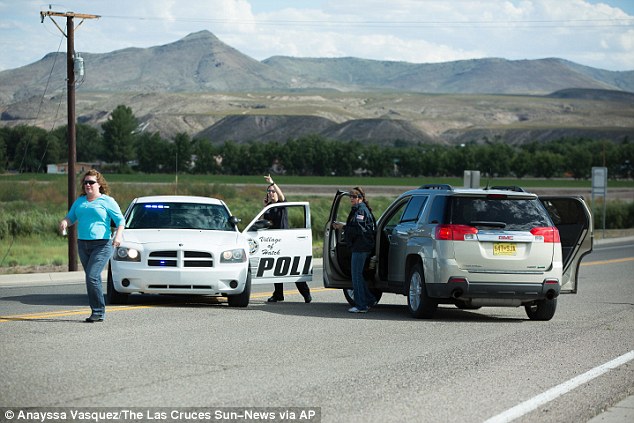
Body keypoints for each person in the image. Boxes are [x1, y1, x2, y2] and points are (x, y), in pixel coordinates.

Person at [59, 170, 125, 323]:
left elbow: (120, 220)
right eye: (86, 182)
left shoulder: (107, 201)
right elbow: (71, 217)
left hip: (102, 244)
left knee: (92, 276)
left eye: (91, 182)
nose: (88, 185)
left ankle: (98, 311)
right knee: (91, 278)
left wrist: (119, 236)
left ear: (99, 184)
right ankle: (96, 310)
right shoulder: (80, 201)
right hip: (83, 244)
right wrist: (64, 222)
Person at [262, 174, 312, 304]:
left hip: (286, 241)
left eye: (273, 192)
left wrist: (272, 183)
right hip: (274, 243)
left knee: (294, 268)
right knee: (276, 270)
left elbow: (281, 195)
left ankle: (306, 294)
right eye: (269, 192)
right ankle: (278, 294)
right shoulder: (269, 209)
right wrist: (265, 206)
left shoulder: (281, 205)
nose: (272, 193)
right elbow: (263, 222)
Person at [332, 187, 377, 313]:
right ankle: (369, 299)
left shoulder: (361, 211)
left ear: (360, 198)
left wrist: (343, 226)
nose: (351, 198)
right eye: (350, 196)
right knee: (358, 275)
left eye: (354, 196)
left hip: (361, 247)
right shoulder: (359, 210)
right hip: (361, 246)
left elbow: (359, 230)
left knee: (356, 276)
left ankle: (361, 306)